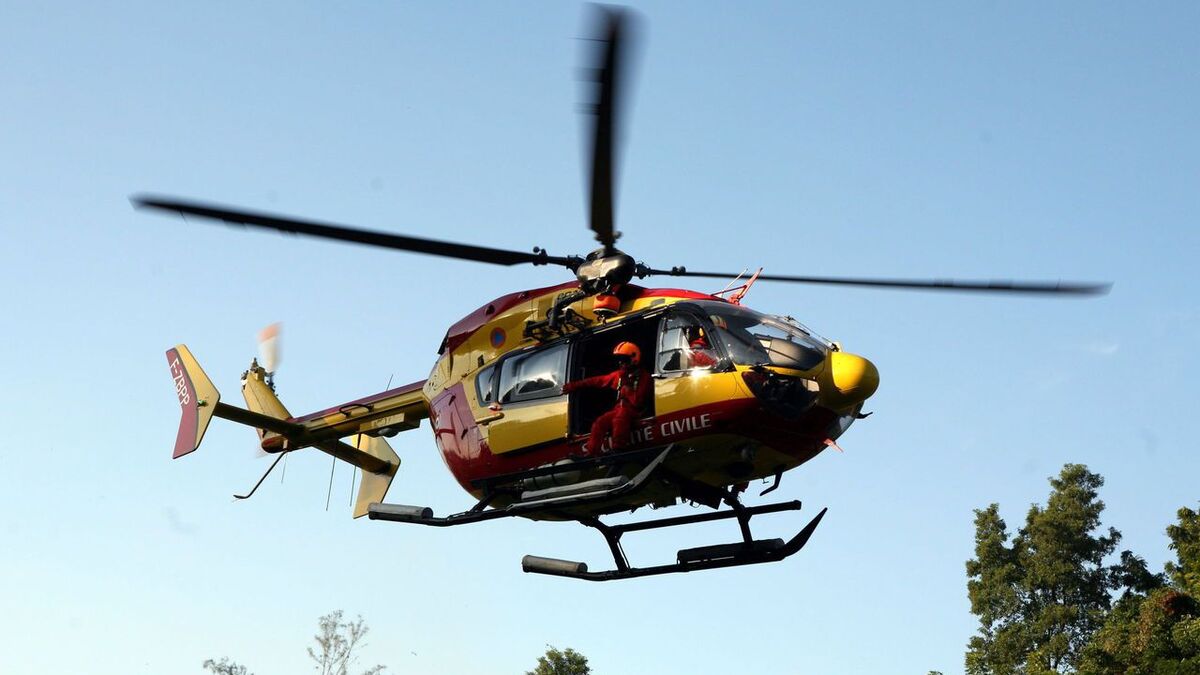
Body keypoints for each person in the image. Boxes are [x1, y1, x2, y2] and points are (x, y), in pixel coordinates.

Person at [562, 341, 653, 455]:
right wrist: (574, 385)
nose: (621, 363)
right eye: (620, 360)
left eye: (624, 360)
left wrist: (627, 386)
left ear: (634, 358)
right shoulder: (618, 375)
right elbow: (596, 381)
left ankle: (618, 448)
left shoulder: (644, 377)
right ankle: (591, 453)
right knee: (599, 423)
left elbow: (637, 402)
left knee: (620, 417)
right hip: (619, 409)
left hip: (634, 411)